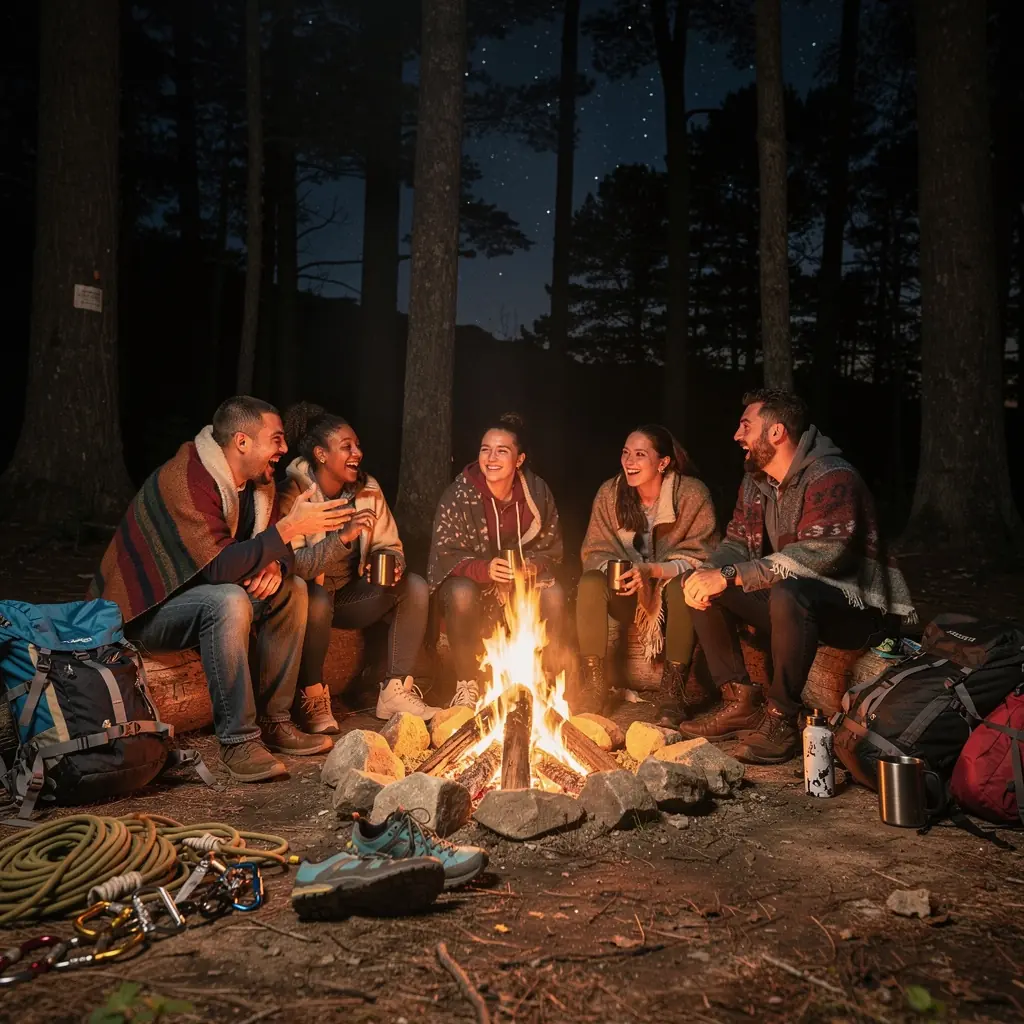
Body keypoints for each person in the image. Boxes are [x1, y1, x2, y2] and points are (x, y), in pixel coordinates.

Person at [90, 396, 356, 782]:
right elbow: (217, 567)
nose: (284, 449)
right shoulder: (186, 479)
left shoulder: (258, 486)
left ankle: (275, 721)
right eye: (276, 439)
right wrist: (287, 532)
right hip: (147, 610)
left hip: (203, 596)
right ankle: (238, 741)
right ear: (242, 442)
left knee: (294, 589)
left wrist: (278, 567)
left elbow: (272, 552)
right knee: (228, 600)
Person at [681, 389, 916, 764]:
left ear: (776, 433)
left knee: (789, 592)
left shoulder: (832, 477)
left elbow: (821, 556)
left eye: (745, 425)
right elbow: (737, 543)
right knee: (700, 582)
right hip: (792, 603)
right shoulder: (756, 482)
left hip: (854, 611)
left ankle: (781, 717)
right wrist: (712, 572)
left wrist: (730, 574)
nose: (736, 435)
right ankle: (739, 699)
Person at [279, 403, 435, 727]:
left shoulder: (367, 489)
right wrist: (345, 537)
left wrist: (391, 562)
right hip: (312, 599)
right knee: (318, 598)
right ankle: (313, 696)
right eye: (346, 446)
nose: (357, 453)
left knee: (415, 586)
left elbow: (390, 544)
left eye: (358, 445)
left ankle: (395, 690)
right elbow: (298, 566)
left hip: (350, 598)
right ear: (321, 455)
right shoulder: (294, 493)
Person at [576, 425, 718, 719]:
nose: (630, 462)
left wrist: (651, 571)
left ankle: (672, 693)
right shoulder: (610, 493)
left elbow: (703, 556)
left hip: (670, 597)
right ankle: (594, 686)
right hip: (627, 594)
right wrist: (620, 572)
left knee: (683, 585)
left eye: (640, 455)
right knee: (590, 581)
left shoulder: (691, 494)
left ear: (663, 462)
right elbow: (594, 551)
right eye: (626, 453)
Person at [428, 413, 564, 708]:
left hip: (519, 585)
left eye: (502, 450)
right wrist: (484, 569)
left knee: (553, 594)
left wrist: (531, 566)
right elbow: (444, 554)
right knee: (461, 593)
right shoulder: (459, 495)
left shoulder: (536, 493)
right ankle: (466, 684)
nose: (490, 458)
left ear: (519, 459)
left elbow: (551, 550)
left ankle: (543, 679)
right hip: (474, 587)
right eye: (484, 449)